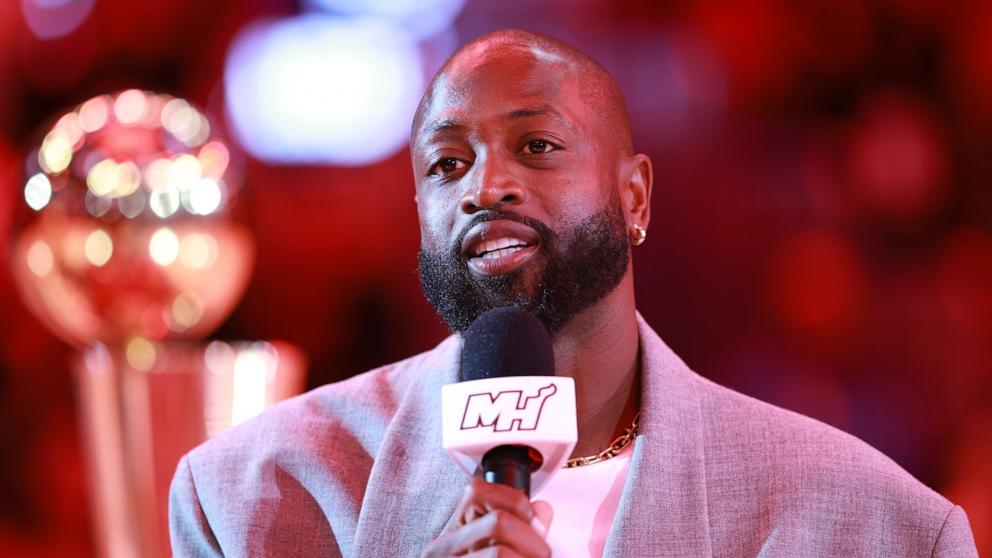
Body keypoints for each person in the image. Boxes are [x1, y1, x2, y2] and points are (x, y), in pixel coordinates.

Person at [169, 29, 978, 557]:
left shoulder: (875, 527)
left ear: (635, 198)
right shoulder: (252, 498)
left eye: (538, 144)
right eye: (448, 164)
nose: (487, 184)